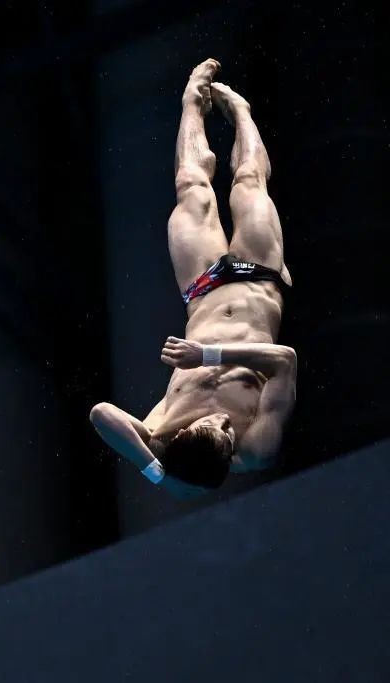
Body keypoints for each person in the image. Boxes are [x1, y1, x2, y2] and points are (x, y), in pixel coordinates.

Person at [90, 59, 298, 497]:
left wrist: (155, 470)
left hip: (203, 288)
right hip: (259, 283)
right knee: (249, 182)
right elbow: (284, 360)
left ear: (183, 436)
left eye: (214, 426)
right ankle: (241, 110)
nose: (225, 422)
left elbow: (101, 413)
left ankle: (191, 101)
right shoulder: (256, 450)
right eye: (229, 431)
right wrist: (206, 354)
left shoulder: (161, 432)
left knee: (191, 185)